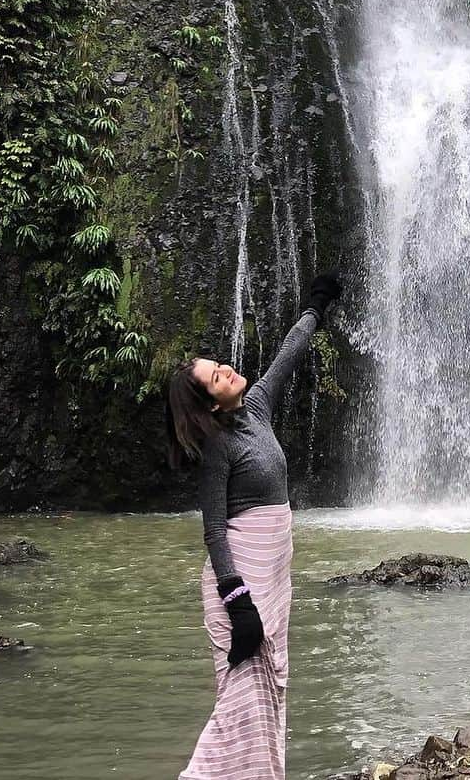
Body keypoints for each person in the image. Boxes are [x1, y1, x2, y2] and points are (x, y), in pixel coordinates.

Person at [166, 271, 343, 780]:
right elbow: (215, 529)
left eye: (218, 364)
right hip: (241, 588)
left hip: (271, 583)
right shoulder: (219, 446)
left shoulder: (257, 408)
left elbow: (287, 355)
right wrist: (235, 597)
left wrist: (315, 307)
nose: (225, 369)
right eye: (215, 376)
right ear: (210, 403)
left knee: (266, 699)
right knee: (238, 707)